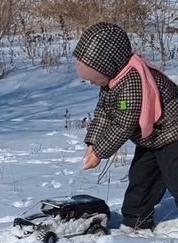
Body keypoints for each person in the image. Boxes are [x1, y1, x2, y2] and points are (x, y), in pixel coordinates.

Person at [73, 22, 178, 230]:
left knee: (175, 176)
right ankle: (135, 220)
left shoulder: (131, 81)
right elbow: (104, 112)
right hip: (152, 138)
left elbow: (124, 122)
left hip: (173, 134)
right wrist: (93, 141)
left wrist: (101, 152)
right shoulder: (113, 82)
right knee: (141, 178)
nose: (95, 84)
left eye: (96, 79)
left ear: (109, 65)